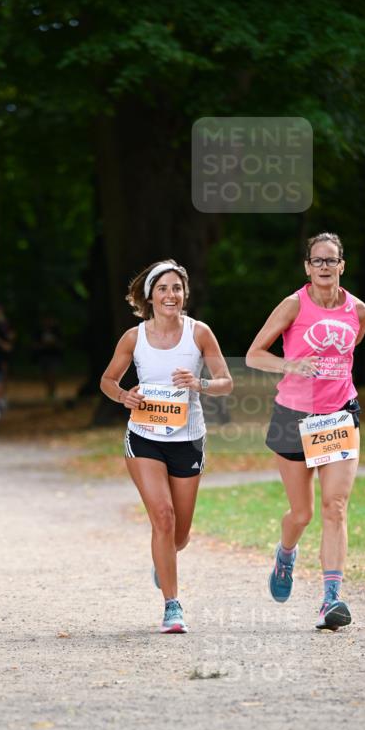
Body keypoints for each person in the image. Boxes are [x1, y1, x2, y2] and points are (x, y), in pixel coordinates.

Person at [100, 259, 233, 633]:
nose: (171, 295)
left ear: (185, 293)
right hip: (144, 436)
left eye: (177, 288)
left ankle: (165, 559)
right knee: (163, 517)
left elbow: (225, 381)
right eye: (163, 289)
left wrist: (199, 384)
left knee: (180, 534)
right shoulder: (134, 337)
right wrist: (125, 396)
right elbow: (108, 381)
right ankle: (172, 606)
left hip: (188, 438)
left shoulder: (199, 333)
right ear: (150, 296)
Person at [246, 232, 365, 631]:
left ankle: (331, 599)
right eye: (316, 261)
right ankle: (286, 554)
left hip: (338, 417)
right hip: (293, 417)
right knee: (302, 513)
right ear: (306, 266)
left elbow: (347, 357)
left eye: (330, 260)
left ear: (342, 266)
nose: (323, 267)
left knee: (335, 507)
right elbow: (254, 354)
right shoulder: (293, 305)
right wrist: (290, 365)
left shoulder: (358, 311)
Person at [32, 315, 64, 400]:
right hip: (43, 356)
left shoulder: (57, 331)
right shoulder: (39, 332)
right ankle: (49, 391)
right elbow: (34, 345)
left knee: (52, 373)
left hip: (53, 356)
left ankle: (53, 391)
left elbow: (61, 344)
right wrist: (43, 345)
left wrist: (53, 343)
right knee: (45, 374)